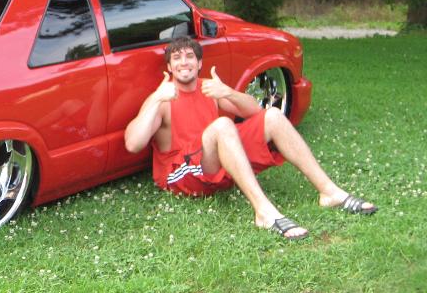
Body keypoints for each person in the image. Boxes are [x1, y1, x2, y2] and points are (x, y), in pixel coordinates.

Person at [124, 37, 377, 240]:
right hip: (181, 174)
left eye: (189, 56)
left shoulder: (208, 88)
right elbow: (133, 143)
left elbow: (256, 112)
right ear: (169, 67)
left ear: (199, 63)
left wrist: (227, 92)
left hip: (212, 163)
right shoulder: (162, 98)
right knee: (223, 125)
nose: (184, 62)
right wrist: (156, 99)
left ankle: (329, 192)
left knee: (273, 116)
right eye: (177, 58)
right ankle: (264, 212)